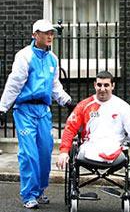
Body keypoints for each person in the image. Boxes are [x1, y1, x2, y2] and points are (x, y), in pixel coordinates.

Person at [0, 19, 74, 209]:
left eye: (51, 32)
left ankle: (40, 190)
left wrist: (67, 101)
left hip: (43, 111)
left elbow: (55, 85)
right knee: (29, 154)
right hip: (24, 111)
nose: (50, 35)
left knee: (44, 152)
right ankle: (28, 195)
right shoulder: (24, 56)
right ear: (35, 35)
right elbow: (14, 83)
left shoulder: (53, 59)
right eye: (45, 32)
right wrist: (2, 108)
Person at [57, 71, 130, 176]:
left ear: (113, 86)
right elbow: (70, 128)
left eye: (106, 85)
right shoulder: (84, 105)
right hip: (89, 149)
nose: (102, 89)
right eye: (99, 85)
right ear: (95, 85)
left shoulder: (123, 107)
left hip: (115, 149)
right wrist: (64, 151)